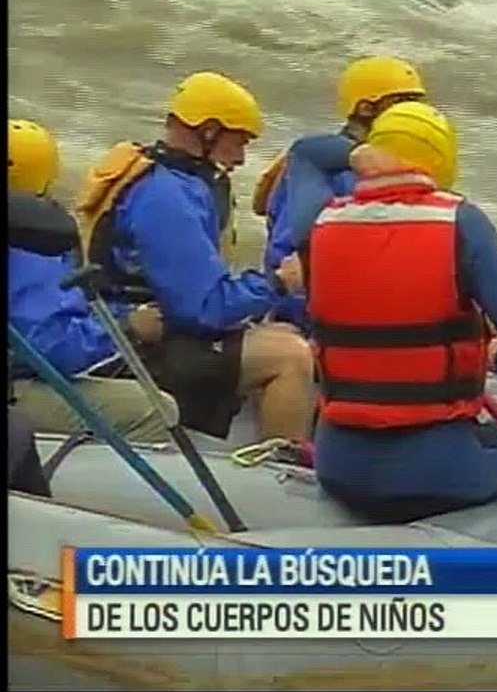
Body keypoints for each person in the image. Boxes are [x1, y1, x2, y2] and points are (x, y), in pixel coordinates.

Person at [306, 101, 497, 524]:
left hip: (338, 466)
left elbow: (304, 157)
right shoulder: (461, 222)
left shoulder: (322, 224)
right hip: (443, 473)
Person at [73, 72, 313, 442]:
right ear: (209, 131)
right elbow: (202, 309)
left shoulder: (163, 176)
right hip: (133, 350)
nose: (242, 157)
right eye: (238, 142)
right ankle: (283, 472)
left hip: (142, 330)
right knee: (290, 356)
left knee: (279, 332)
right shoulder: (166, 198)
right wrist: (279, 282)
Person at [8, 119, 177, 443]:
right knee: (156, 409)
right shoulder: (32, 240)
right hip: (18, 389)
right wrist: (128, 328)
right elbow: (53, 350)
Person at [251, 56, 428, 328]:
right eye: (404, 105)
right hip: (312, 327)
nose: (416, 116)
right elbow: (289, 262)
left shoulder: (400, 165)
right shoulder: (320, 171)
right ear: (366, 109)